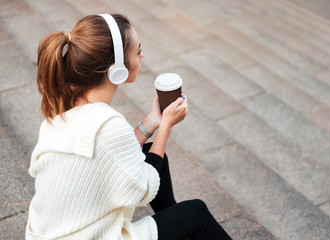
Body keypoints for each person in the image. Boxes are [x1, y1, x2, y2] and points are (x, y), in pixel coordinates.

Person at [26, 13, 232, 240]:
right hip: (90, 235)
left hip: (52, 233)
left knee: (145, 153)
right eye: (137, 51)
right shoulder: (107, 123)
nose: (142, 56)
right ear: (117, 69)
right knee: (195, 213)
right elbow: (142, 187)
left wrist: (152, 121)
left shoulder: (62, 114)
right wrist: (166, 126)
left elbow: (110, 153)